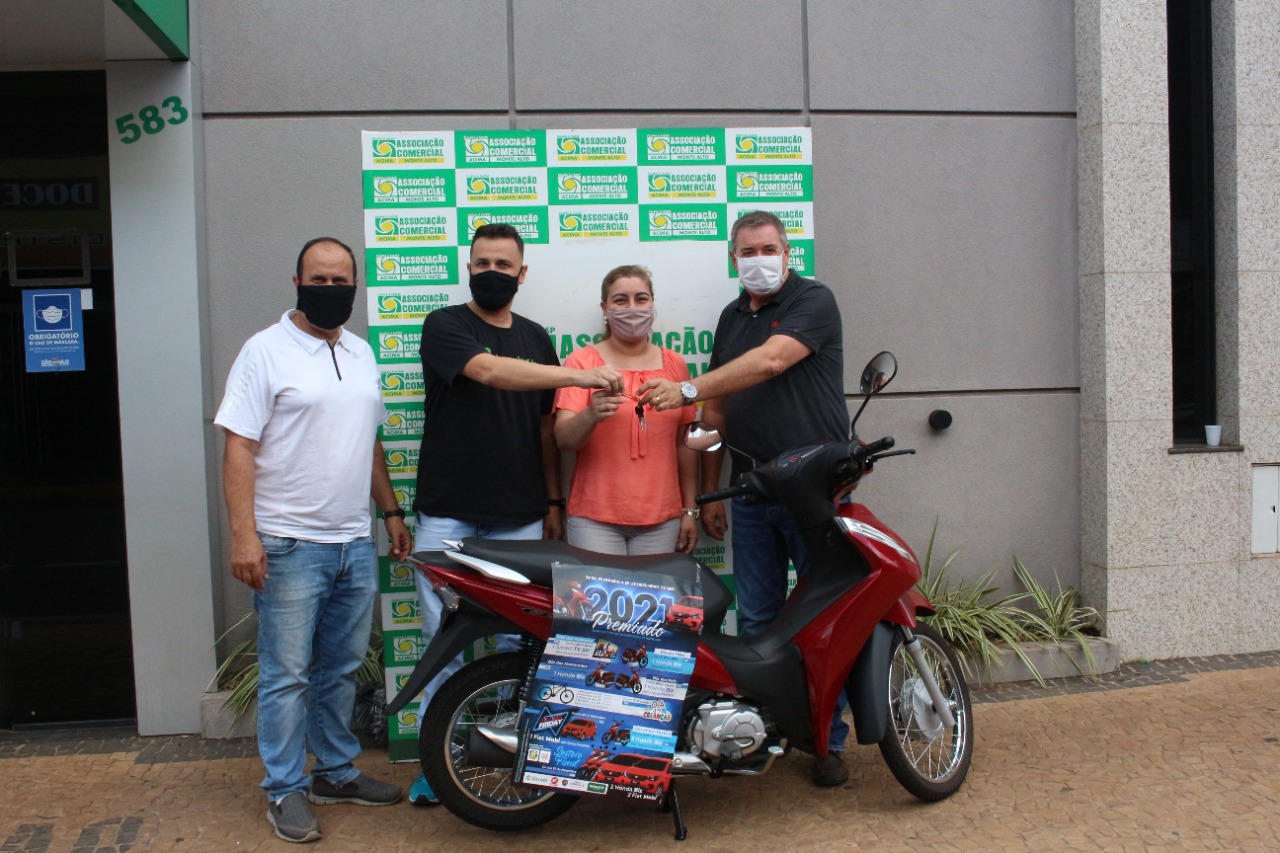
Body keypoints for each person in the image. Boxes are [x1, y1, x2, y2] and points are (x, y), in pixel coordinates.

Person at [408, 223, 622, 805]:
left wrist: (553, 501)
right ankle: (436, 765)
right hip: (447, 515)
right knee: (441, 645)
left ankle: (511, 762)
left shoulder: (535, 337)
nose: (492, 273)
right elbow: (489, 371)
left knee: (518, 648)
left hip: (521, 517)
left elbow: (547, 431)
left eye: (504, 265)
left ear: (522, 273)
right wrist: (580, 374)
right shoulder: (445, 324)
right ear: (468, 268)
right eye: (483, 263)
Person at [638, 210, 851, 786]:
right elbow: (716, 414)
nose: (759, 260)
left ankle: (828, 743)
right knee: (759, 618)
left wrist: (685, 387)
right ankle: (768, 732)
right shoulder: (731, 318)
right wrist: (710, 490)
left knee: (825, 621)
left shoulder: (813, 300)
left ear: (787, 252)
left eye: (768, 249)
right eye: (747, 251)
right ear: (732, 258)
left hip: (813, 493)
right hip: (753, 491)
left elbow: (772, 360)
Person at [215, 237, 411, 844]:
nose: (331, 289)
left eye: (341, 280)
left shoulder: (360, 351)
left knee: (340, 669)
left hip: (353, 541)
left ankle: (335, 772)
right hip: (289, 544)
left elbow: (368, 442)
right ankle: (284, 788)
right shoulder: (264, 350)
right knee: (287, 675)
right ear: (297, 282)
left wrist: (390, 512)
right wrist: (244, 537)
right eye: (319, 280)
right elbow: (238, 445)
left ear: (355, 283)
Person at [554, 265, 699, 555]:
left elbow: (685, 445)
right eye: (620, 300)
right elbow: (563, 440)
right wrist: (590, 415)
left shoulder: (675, 365)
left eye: (641, 299)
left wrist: (690, 510)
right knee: (598, 589)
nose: (632, 308)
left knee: (655, 588)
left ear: (653, 304)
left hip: (663, 518)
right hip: (594, 518)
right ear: (605, 309)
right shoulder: (582, 362)